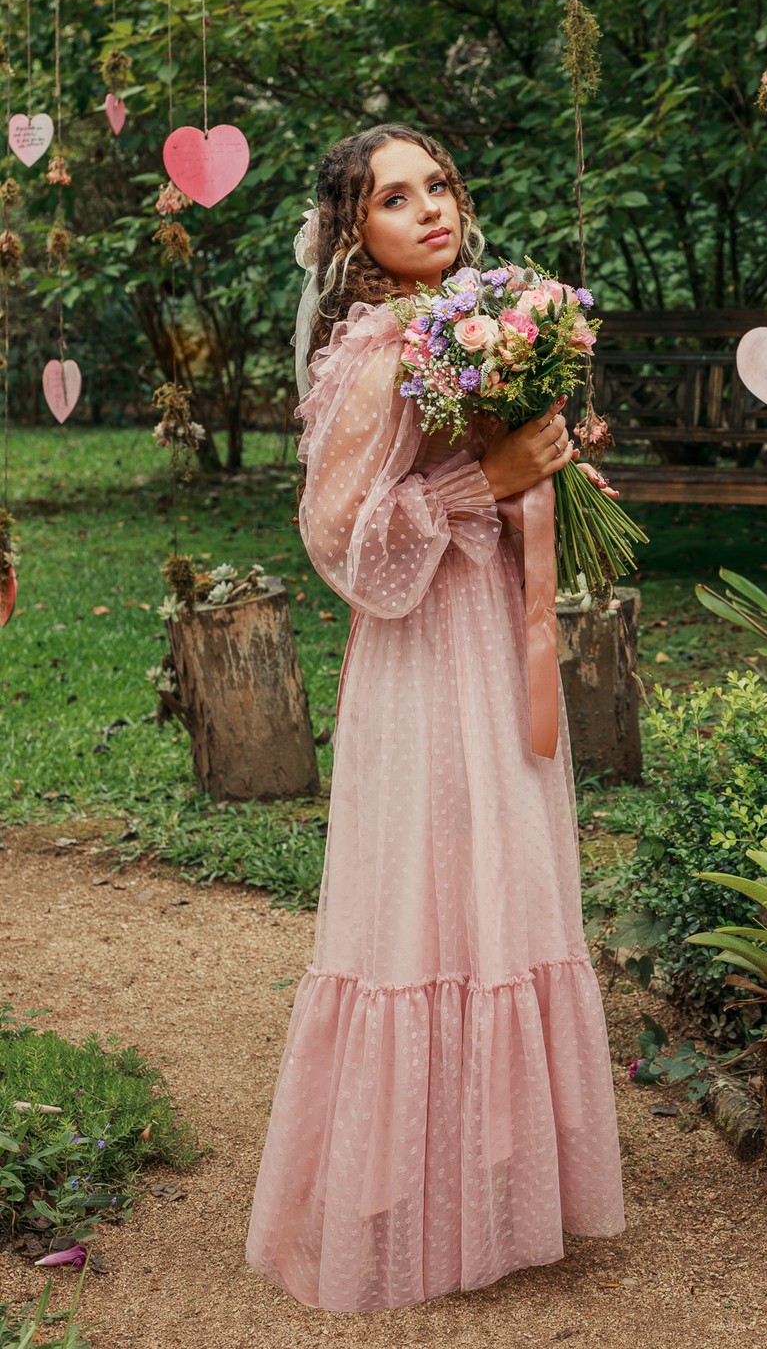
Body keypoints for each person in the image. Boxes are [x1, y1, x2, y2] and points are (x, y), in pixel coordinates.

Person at [245, 123, 626, 1312]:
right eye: (392, 197)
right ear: (352, 233)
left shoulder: (470, 322)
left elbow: (498, 462)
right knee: (425, 896)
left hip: (492, 634)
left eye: (440, 186)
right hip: (423, 658)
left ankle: (499, 1184)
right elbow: (335, 535)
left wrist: (547, 459)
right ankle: (400, 1197)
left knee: (500, 886)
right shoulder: (376, 353)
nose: (427, 209)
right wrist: (485, 480)